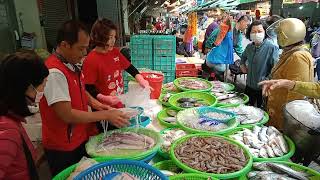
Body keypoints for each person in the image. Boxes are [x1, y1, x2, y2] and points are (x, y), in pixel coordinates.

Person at [39, 20, 130, 176]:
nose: (84, 53)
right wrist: (106, 114)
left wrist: (99, 104)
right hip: (63, 146)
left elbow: (82, 91)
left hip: (80, 136)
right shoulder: (54, 73)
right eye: (80, 48)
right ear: (64, 45)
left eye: (86, 48)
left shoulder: (71, 64)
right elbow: (66, 114)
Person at [0, 51, 49, 180]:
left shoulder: (11, 119)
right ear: (28, 87)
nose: (44, 89)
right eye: (42, 84)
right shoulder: (7, 131)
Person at [83, 18, 151, 109]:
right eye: (110, 37)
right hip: (103, 108)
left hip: (119, 103)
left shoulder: (114, 52)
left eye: (114, 37)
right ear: (100, 37)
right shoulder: (91, 60)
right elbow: (88, 86)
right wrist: (103, 97)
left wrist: (142, 80)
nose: (113, 41)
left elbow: (130, 68)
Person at [265, 18, 314, 130]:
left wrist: (285, 125)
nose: (277, 37)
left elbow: (296, 96)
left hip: (284, 122)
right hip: (276, 114)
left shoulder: (298, 57)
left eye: (279, 34)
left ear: (286, 36)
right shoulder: (289, 52)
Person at [240, 20, 279, 108]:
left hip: (262, 88)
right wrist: (242, 65)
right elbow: (243, 57)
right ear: (249, 33)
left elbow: (276, 69)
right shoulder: (249, 47)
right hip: (249, 86)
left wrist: (266, 79)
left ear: (265, 32)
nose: (256, 34)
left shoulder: (272, 48)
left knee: (260, 112)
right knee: (246, 109)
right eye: (253, 32)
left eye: (259, 31)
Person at [202, 15, 250, 81]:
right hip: (214, 55)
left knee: (219, 75)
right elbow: (213, 36)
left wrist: (246, 57)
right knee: (208, 74)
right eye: (247, 24)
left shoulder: (239, 35)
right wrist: (207, 48)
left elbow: (238, 49)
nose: (247, 27)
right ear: (242, 21)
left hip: (223, 59)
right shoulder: (227, 26)